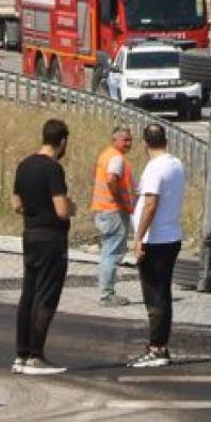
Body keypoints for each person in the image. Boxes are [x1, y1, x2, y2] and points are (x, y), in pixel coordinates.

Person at [11, 119, 75, 375]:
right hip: (51, 238)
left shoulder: (24, 165)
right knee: (46, 296)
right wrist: (70, 208)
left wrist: (35, 209)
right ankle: (36, 355)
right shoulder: (52, 169)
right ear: (62, 142)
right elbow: (61, 209)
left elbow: (16, 204)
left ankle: (21, 354)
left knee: (28, 294)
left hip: (30, 234)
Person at [127, 124, 187, 367]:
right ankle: (160, 344)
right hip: (171, 234)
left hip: (157, 238)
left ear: (145, 143)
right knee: (162, 292)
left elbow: (151, 203)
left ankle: (157, 348)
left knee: (154, 295)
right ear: (166, 140)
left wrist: (139, 236)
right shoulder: (176, 164)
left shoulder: (154, 167)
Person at [90, 126, 135, 307]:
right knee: (112, 253)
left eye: (130, 140)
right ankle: (107, 295)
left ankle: (105, 290)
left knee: (107, 251)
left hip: (102, 210)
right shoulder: (116, 158)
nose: (128, 143)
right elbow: (111, 180)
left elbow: (96, 174)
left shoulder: (105, 154)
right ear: (115, 140)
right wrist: (122, 201)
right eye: (125, 140)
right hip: (113, 210)